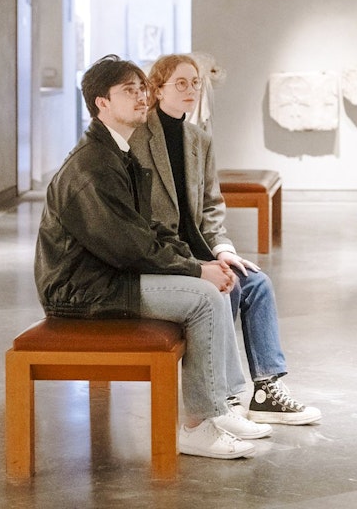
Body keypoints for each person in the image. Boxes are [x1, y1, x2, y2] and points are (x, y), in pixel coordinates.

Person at [34, 55, 270, 460]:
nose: (142, 96)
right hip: (80, 290)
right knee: (203, 297)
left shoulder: (116, 152)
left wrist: (204, 264)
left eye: (142, 88)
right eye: (129, 90)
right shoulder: (92, 167)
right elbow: (129, 248)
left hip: (106, 277)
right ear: (100, 103)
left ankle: (219, 407)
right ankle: (200, 424)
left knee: (212, 287)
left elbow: (150, 229)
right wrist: (197, 269)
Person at [130, 53, 322, 425]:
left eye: (195, 83)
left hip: (201, 249)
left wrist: (223, 249)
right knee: (226, 289)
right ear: (158, 89)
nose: (190, 90)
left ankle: (265, 390)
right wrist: (200, 265)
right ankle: (223, 396)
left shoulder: (198, 139)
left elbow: (212, 204)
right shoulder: (139, 137)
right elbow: (141, 219)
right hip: (167, 255)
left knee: (257, 283)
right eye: (181, 83)